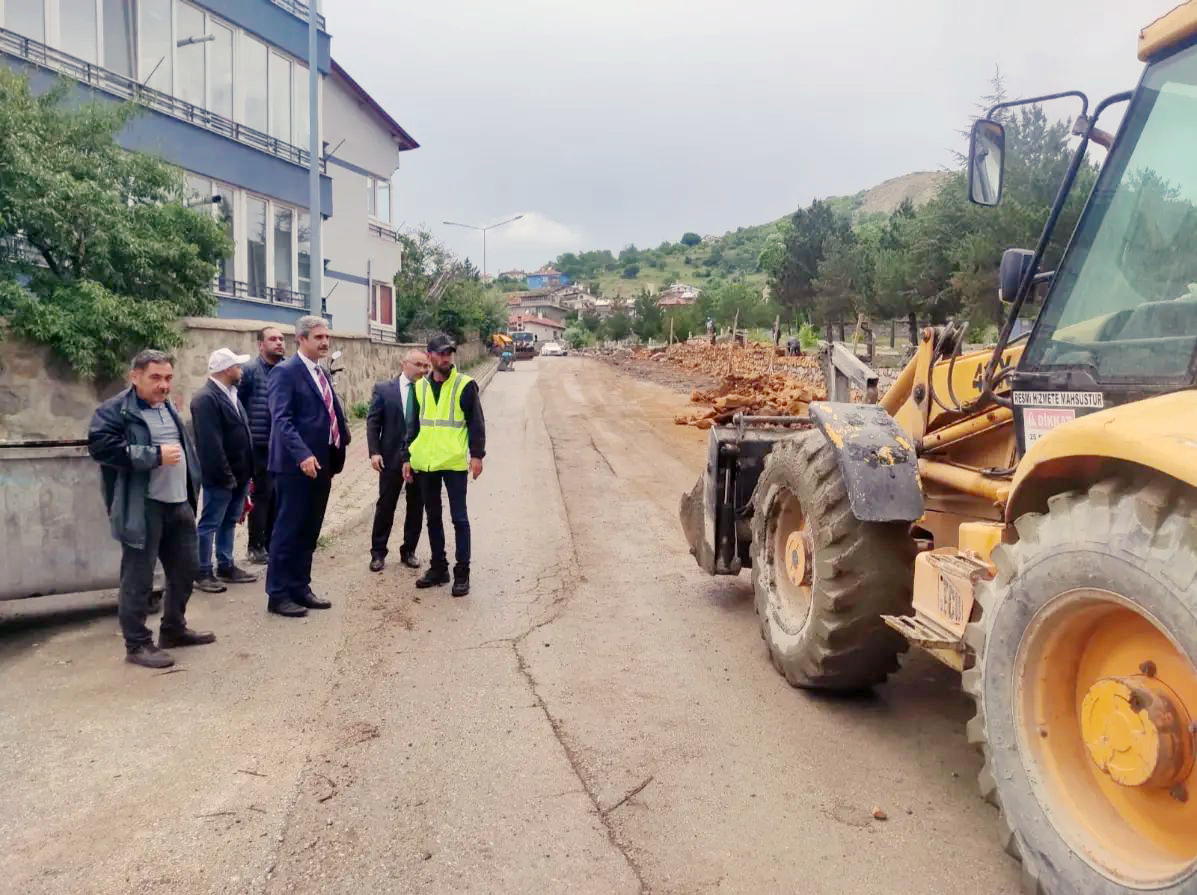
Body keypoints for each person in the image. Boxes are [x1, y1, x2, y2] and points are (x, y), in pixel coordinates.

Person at [87, 349, 215, 669]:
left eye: (168, 378)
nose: (163, 385)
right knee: (139, 578)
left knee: (187, 569)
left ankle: (173, 629)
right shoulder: (115, 410)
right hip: (143, 506)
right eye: (155, 377)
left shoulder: (167, 406)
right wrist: (154, 455)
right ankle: (137, 644)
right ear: (135, 377)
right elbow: (101, 447)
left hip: (178, 503)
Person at [265, 316, 350, 618]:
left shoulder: (321, 371)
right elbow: (282, 419)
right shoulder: (285, 372)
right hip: (294, 466)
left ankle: (300, 586)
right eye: (318, 338)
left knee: (310, 530)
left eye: (327, 337)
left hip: (322, 463)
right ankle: (278, 594)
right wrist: (301, 454)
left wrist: (342, 442)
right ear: (301, 339)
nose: (325, 342)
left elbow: (329, 411)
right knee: (288, 529)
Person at [401, 333, 485, 597]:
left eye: (449, 352)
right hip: (426, 463)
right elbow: (411, 427)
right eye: (441, 353)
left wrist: (477, 455)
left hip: (454, 462)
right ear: (430, 356)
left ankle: (462, 572)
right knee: (433, 517)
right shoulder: (419, 388)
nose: (446, 357)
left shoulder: (465, 384)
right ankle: (439, 568)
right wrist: (406, 458)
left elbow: (476, 423)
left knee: (459, 518)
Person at [191, 347, 258, 592]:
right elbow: (210, 444)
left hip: (239, 474)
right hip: (221, 476)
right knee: (210, 522)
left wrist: (247, 471)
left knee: (229, 520)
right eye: (238, 367)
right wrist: (225, 476)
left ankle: (226, 564)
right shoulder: (205, 398)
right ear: (227, 369)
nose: (241, 371)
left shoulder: (232, 393)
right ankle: (202, 570)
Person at [366, 349, 430, 572]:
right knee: (386, 505)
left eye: (426, 366)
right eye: (418, 365)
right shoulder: (385, 390)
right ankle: (378, 553)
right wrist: (374, 452)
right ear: (404, 364)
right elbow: (373, 422)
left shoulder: (428, 390)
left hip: (419, 459)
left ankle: (409, 550)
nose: (423, 370)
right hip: (391, 458)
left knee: (416, 506)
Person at [237, 326, 286, 565]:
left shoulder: (288, 370)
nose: (278, 343)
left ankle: (272, 543)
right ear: (260, 345)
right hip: (258, 445)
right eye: (273, 339)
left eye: (281, 339)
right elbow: (238, 406)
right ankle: (255, 546)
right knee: (261, 496)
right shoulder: (249, 371)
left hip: (284, 446)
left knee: (279, 496)